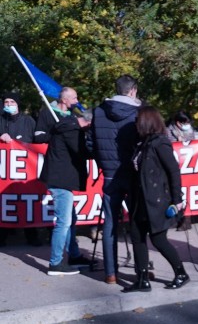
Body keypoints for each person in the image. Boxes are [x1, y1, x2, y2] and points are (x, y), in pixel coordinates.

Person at [124, 106, 189, 292]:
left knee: (159, 239)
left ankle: (181, 273)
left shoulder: (159, 143)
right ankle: (142, 279)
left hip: (156, 200)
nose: (135, 124)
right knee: (137, 236)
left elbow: (173, 171)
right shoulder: (142, 143)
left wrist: (177, 199)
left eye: (138, 120)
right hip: (139, 199)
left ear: (146, 122)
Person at [91, 75, 141, 284]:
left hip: (109, 174)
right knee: (138, 222)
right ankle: (141, 270)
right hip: (131, 173)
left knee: (109, 225)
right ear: (132, 91)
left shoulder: (99, 111)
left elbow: (91, 142)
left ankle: (110, 273)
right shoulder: (138, 112)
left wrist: (102, 162)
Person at [40, 112, 93, 275]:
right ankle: (55, 263)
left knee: (71, 219)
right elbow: (84, 152)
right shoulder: (72, 131)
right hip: (61, 180)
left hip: (61, 179)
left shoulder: (68, 125)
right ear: (88, 123)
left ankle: (74, 256)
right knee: (63, 222)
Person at [0, 91, 42, 247]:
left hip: (25, 170)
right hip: (5, 171)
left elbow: (36, 142)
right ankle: (2, 235)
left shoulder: (28, 121)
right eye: (6, 102)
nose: (9, 105)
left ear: (18, 104)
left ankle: (32, 235)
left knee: (27, 201)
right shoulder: (1, 120)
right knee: (5, 202)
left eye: (12, 102)